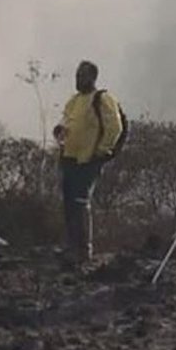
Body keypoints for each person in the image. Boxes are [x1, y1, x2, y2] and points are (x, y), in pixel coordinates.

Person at [52, 60, 124, 265]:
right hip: (69, 157)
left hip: (88, 159)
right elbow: (66, 121)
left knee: (81, 202)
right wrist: (61, 130)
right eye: (77, 75)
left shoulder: (102, 98)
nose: (78, 79)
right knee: (68, 202)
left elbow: (115, 127)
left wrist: (101, 151)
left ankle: (83, 250)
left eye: (82, 76)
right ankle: (70, 245)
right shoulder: (74, 100)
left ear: (92, 77)